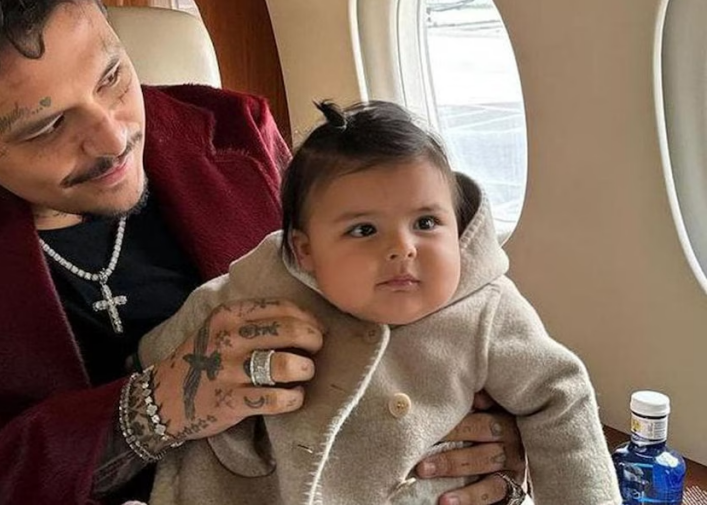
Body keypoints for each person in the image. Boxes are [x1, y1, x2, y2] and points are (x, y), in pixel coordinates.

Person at [0, 0, 527, 504]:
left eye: (111, 76)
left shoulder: (234, 131)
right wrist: (144, 414)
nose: (112, 139)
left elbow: (406, 316)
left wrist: (481, 424)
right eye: (45, 126)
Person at [138, 100, 622, 504]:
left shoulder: (486, 309)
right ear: (305, 251)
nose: (402, 248)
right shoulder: (257, 289)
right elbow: (161, 358)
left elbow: (560, 397)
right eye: (364, 230)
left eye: (426, 223)